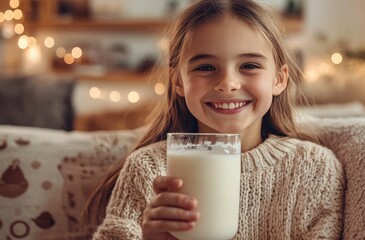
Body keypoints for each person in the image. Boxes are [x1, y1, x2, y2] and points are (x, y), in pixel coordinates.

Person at [83, 0, 345, 239]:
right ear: (178, 81)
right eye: (206, 67)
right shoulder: (147, 169)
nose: (228, 84)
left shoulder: (313, 168)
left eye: (249, 65)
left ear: (279, 79)